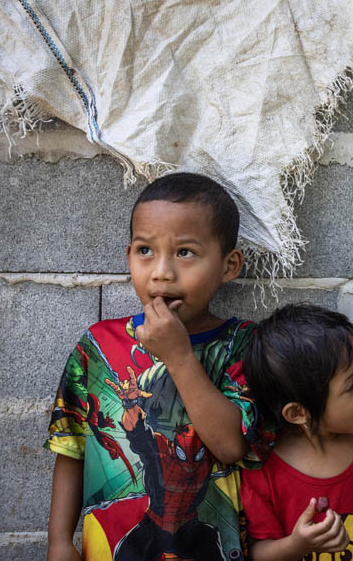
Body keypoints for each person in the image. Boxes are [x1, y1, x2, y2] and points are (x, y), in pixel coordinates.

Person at [45, 172, 265, 561]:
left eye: (184, 252)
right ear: (128, 255)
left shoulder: (243, 346)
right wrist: (60, 542)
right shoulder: (98, 345)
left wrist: (179, 356)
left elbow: (231, 446)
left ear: (229, 265)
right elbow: (71, 448)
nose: (161, 271)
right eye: (145, 250)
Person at [241, 303, 353, 561]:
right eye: (350, 386)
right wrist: (297, 545)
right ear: (297, 413)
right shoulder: (263, 473)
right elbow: (259, 552)